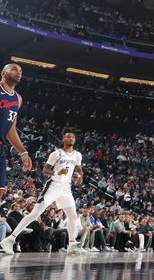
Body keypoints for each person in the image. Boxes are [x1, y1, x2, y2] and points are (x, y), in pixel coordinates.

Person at [1, 129, 84, 255]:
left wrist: (80, 177)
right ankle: (10, 239)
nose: (71, 138)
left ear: (75, 140)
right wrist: (57, 172)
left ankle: (72, 244)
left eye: (73, 137)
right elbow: (45, 170)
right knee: (35, 213)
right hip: (53, 186)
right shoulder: (57, 154)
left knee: (72, 215)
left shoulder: (78, 155)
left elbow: (79, 168)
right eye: (68, 136)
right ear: (63, 139)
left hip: (66, 188)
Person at [0, 64, 33, 202]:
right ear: (3, 73)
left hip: (1, 146)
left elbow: (11, 129)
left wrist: (23, 152)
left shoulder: (18, 99)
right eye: (14, 69)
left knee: (1, 189)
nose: (18, 72)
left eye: (20, 71)